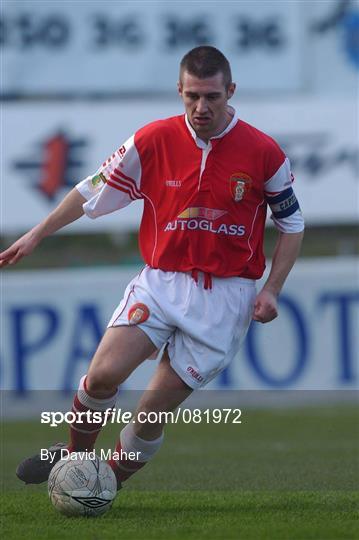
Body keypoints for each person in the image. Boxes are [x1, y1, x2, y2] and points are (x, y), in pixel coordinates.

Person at [0, 46, 304, 489]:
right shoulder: (152, 140)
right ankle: (73, 460)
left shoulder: (264, 153)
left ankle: (105, 483)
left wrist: (272, 288)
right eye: (192, 96)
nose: (202, 107)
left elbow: (292, 224)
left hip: (225, 298)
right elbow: (90, 192)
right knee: (102, 375)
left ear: (230, 92)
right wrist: (36, 234)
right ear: (179, 91)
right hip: (162, 283)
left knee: (149, 415)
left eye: (212, 97)